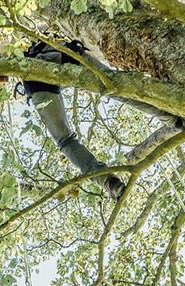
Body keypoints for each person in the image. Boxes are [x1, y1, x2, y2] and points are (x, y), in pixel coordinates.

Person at [21, 39, 127, 201]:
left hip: (35, 80)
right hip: (61, 56)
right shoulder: (37, 35)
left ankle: (107, 181)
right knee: (118, 88)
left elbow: (2, 49)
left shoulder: (24, 40)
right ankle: (166, 113)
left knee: (65, 141)